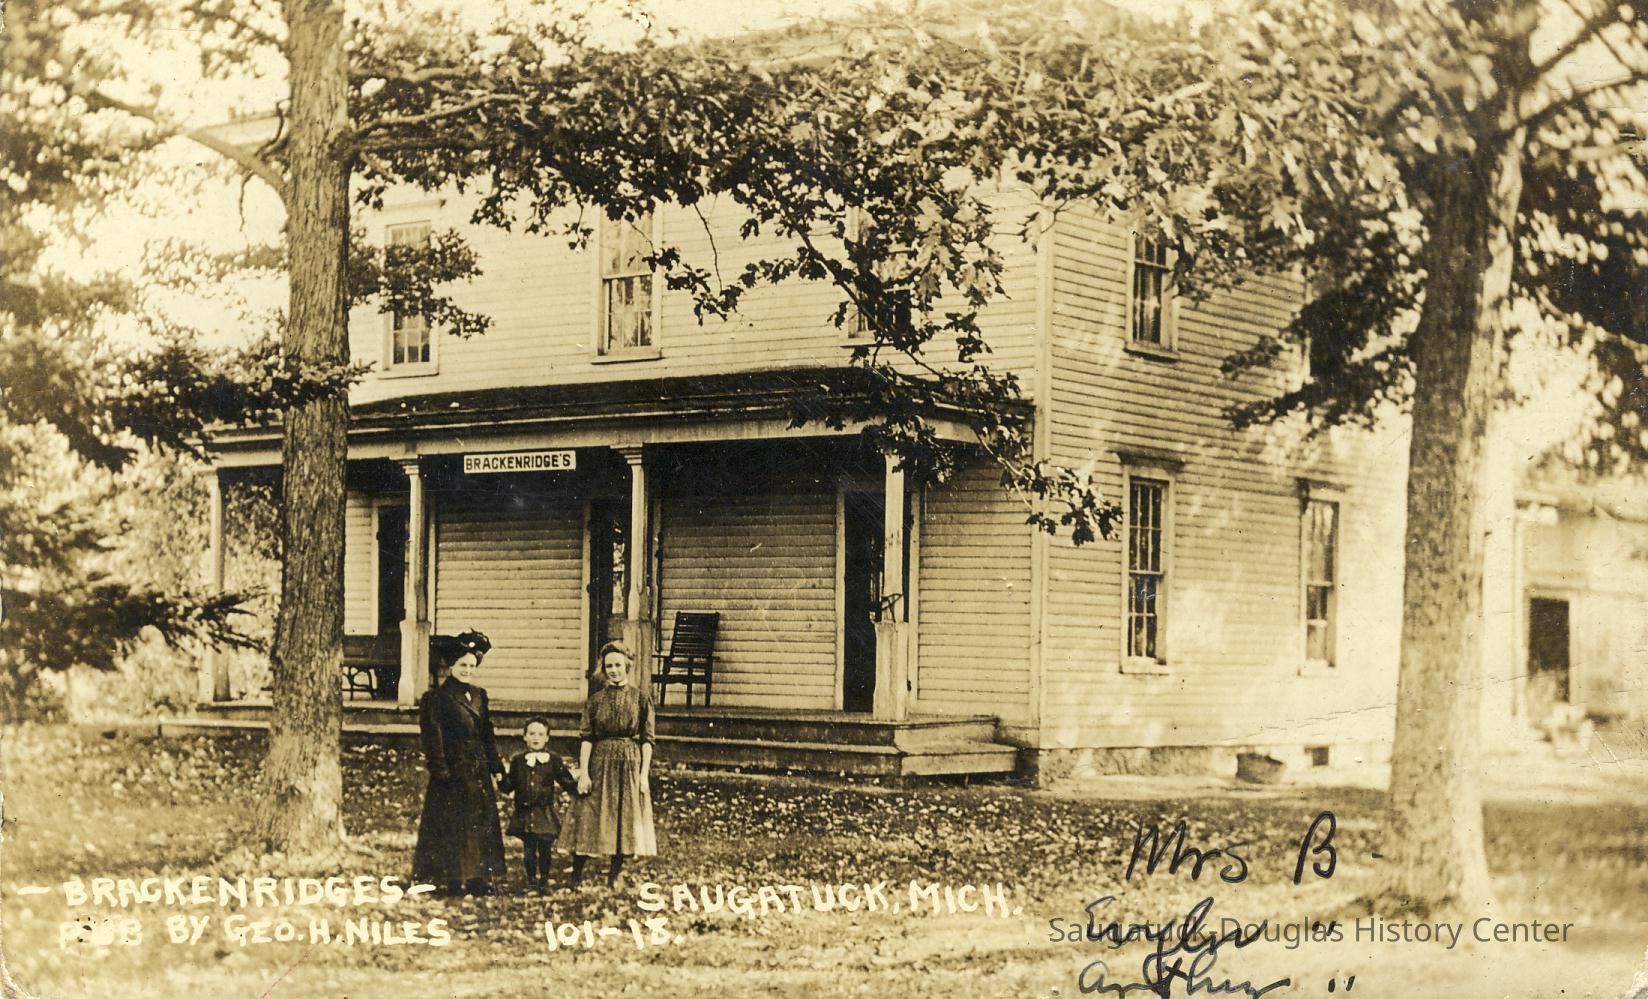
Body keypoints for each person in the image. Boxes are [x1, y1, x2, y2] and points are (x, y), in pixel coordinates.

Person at [411, 633, 507, 896]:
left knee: (480, 822)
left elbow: (487, 735)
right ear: (452, 666)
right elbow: (433, 738)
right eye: (463, 665)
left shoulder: (479, 695)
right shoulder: (437, 698)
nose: (467, 670)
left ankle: (478, 879)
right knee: (454, 824)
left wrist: (497, 768)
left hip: (477, 769)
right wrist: (441, 771)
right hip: (453, 770)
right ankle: (453, 880)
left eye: (472, 666)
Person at [559, 641, 656, 888]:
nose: (613, 670)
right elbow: (586, 738)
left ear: (627, 666)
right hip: (600, 761)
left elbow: (647, 740)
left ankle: (614, 874)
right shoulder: (595, 700)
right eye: (609, 666)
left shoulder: (641, 698)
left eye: (618, 665)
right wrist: (584, 773)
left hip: (629, 762)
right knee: (588, 813)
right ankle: (576, 874)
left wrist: (644, 775)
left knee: (625, 815)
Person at [499, 717, 580, 894]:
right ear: (524, 736)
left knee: (545, 847)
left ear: (547, 738)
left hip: (544, 812)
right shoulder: (518, 761)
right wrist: (500, 779)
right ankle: (531, 879)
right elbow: (509, 785)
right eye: (532, 733)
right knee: (529, 848)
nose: (536, 738)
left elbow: (565, 780)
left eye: (541, 734)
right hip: (525, 811)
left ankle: (544, 878)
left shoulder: (553, 760)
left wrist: (579, 786)